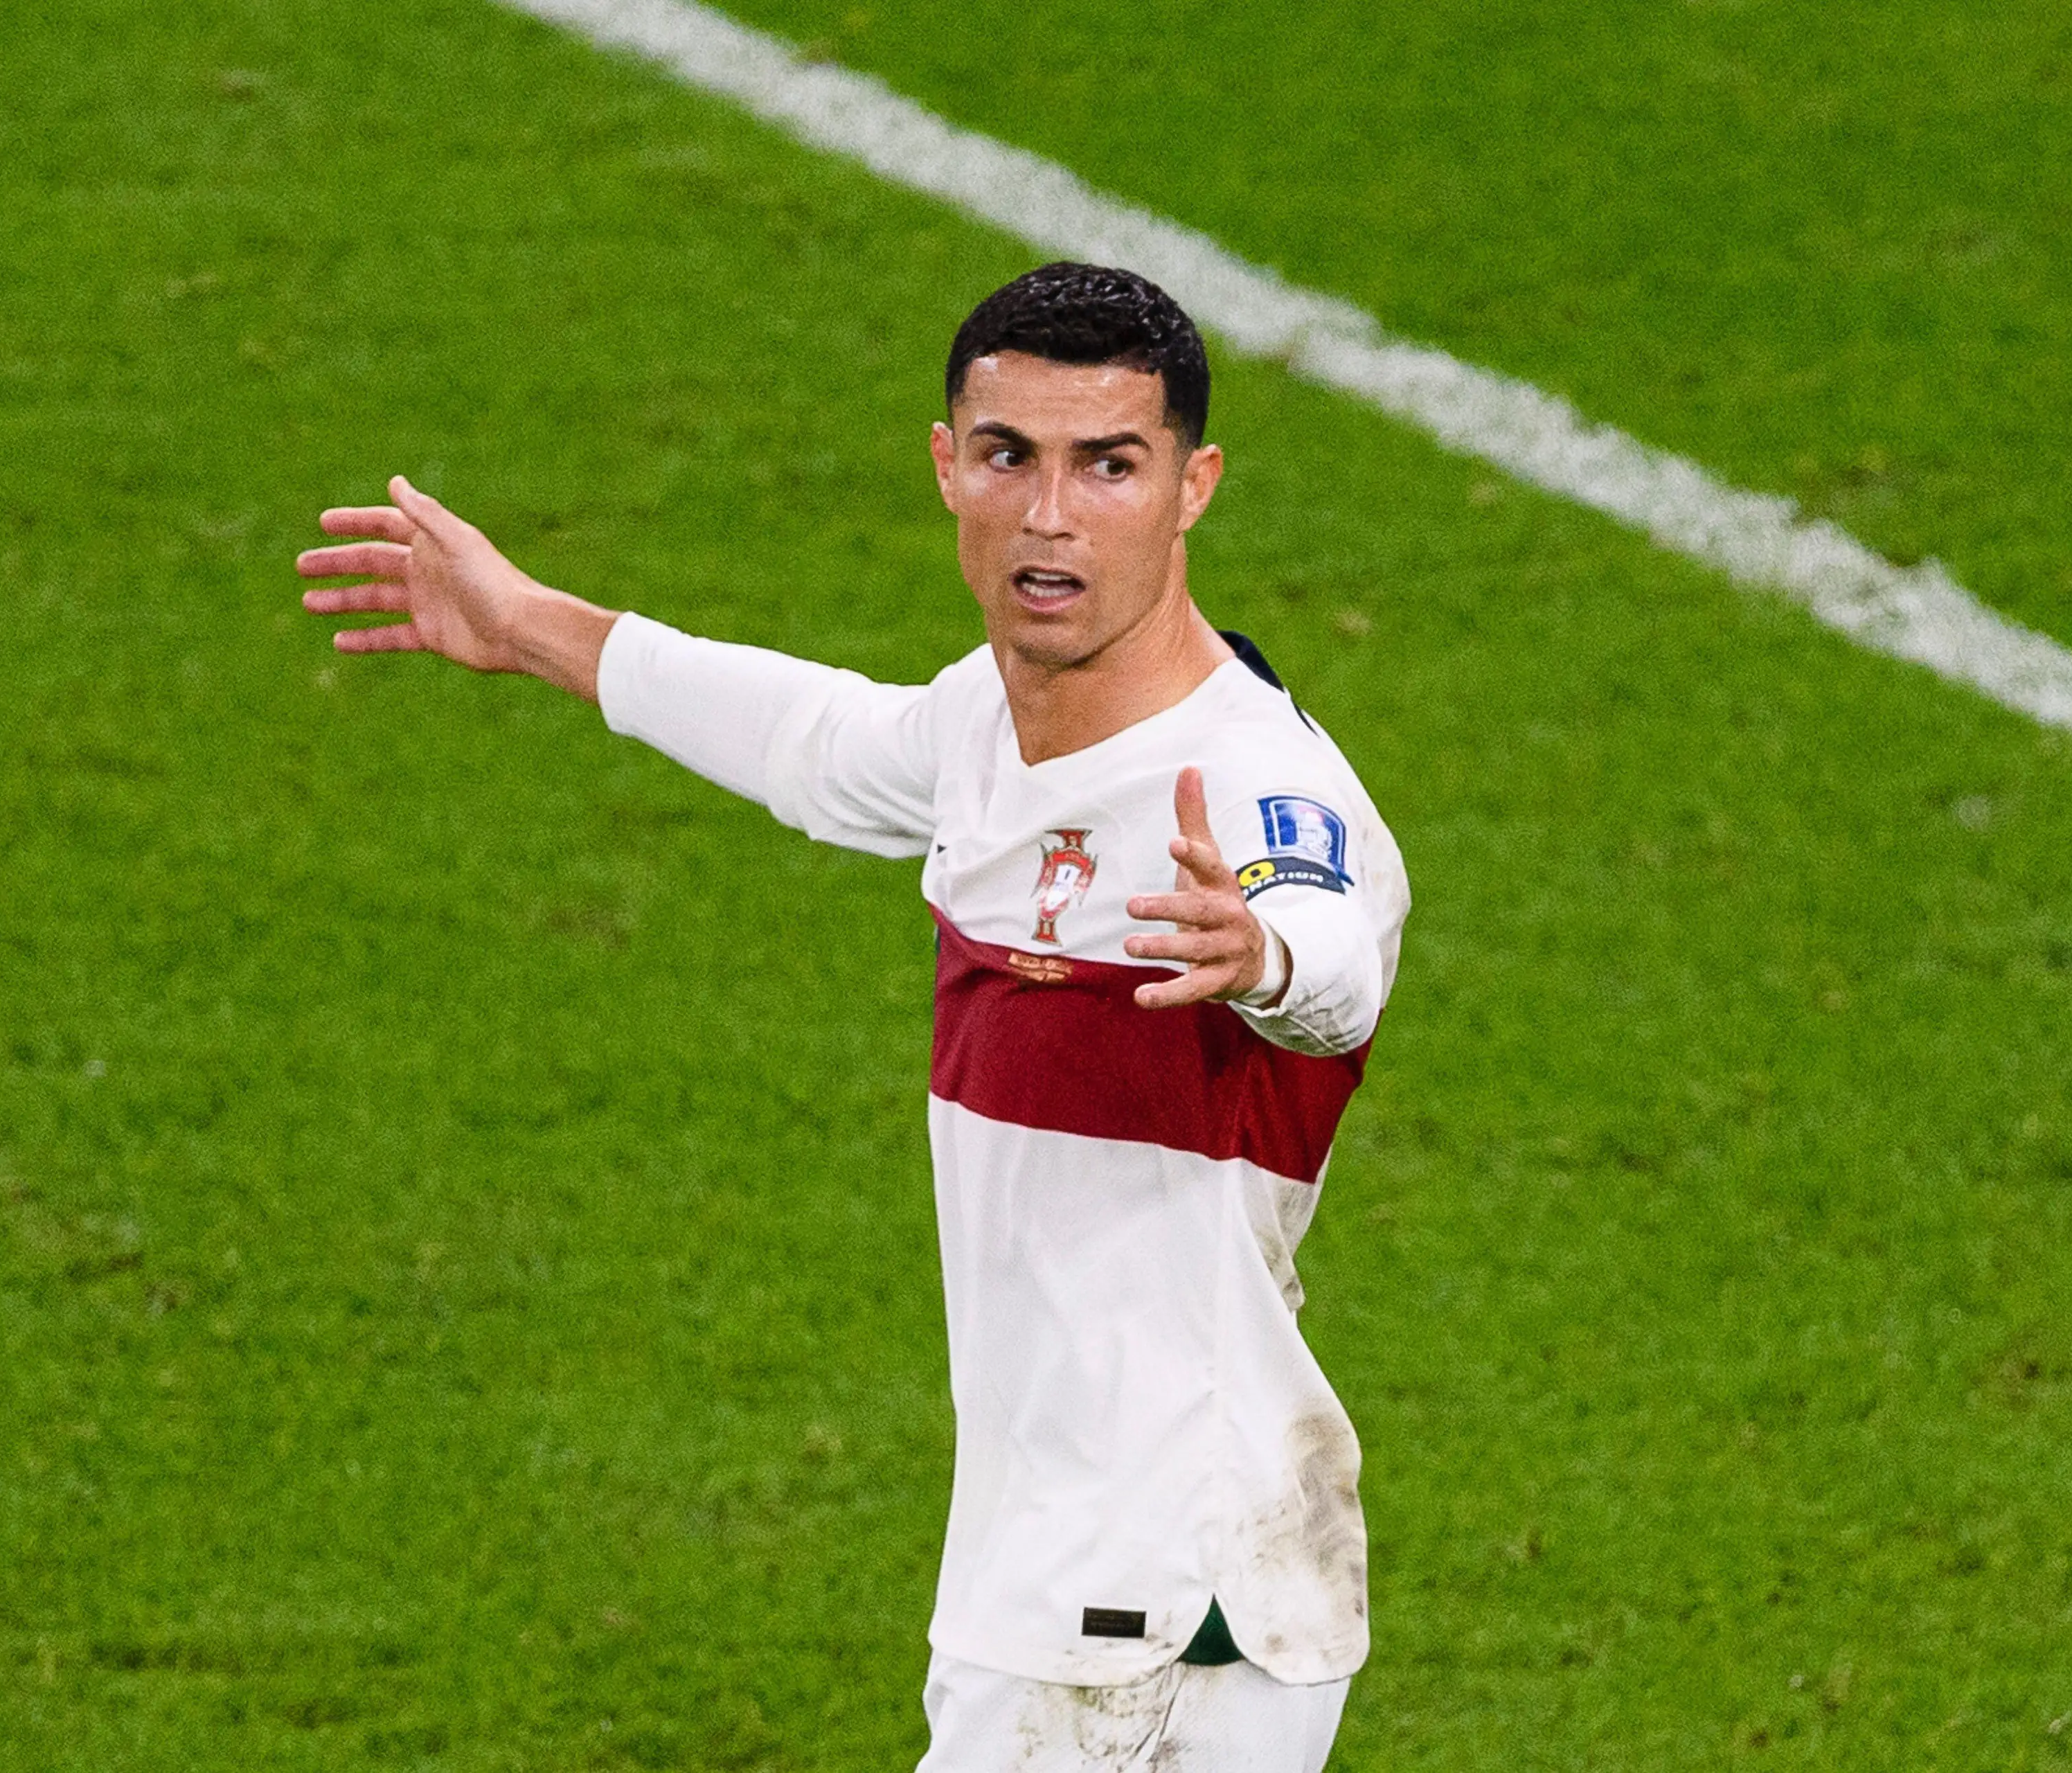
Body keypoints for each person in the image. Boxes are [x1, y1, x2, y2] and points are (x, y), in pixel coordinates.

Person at [298, 262, 1408, 1772]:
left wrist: (1267, 952)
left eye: (1111, 465)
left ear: (1193, 487)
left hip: (1157, 1593)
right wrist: (529, 621)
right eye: (1011, 455)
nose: (1051, 514)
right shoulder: (987, 723)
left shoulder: (1249, 790)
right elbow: (817, 741)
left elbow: (1332, 928)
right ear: (947, 462)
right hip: (1069, 1573)